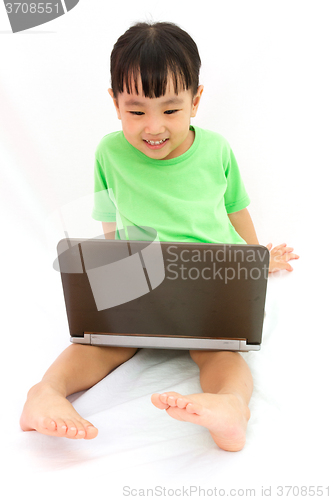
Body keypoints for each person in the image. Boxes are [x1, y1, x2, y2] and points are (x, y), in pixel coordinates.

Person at [20, 21, 299, 452]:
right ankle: (46, 392)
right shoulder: (108, 153)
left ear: (196, 100)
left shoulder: (217, 150)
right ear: (115, 103)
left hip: (211, 282)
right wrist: (115, 285)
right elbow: (110, 225)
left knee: (222, 353)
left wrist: (254, 259)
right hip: (140, 277)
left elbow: (235, 210)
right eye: (136, 111)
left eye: (170, 110)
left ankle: (229, 407)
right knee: (102, 344)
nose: (154, 127)